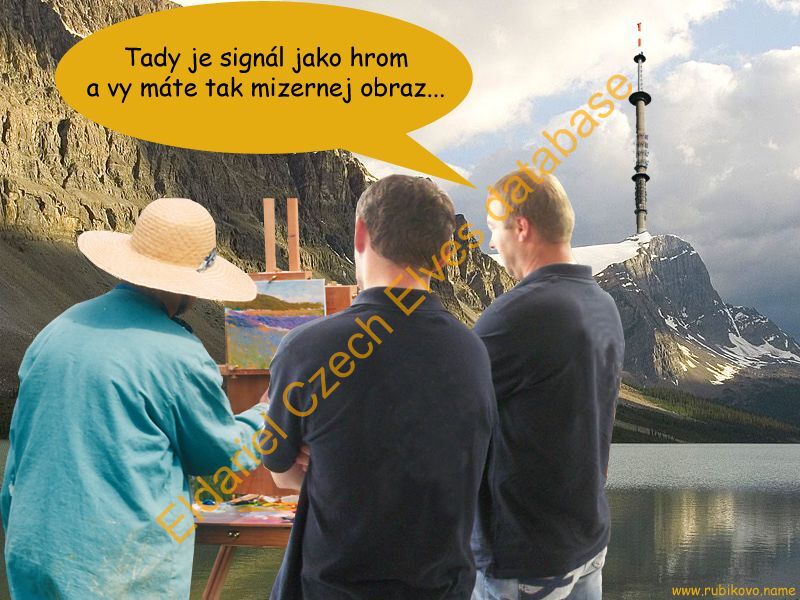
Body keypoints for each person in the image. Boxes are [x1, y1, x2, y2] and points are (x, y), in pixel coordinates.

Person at [1, 197, 267, 598]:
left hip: (34, 554)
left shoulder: (56, 329)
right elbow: (219, 457)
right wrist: (267, 414)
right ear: (189, 285)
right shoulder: (178, 353)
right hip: (117, 569)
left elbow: (19, 451)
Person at [262, 174, 497, 599]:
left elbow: (280, 472)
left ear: (360, 233)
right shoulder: (474, 353)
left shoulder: (307, 350)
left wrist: (325, 464)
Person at [471, 169, 624, 600]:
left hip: (527, 560)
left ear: (521, 227)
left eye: (494, 229)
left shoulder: (516, 315)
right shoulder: (603, 304)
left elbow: (445, 411)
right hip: (587, 545)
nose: (491, 244)